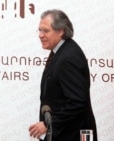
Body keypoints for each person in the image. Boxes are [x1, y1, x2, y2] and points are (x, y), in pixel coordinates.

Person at [28, 9, 97, 141]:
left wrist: (49, 124)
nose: (40, 35)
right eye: (39, 30)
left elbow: (77, 101)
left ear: (61, 31)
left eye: (46, 31)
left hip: (73, 135)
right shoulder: (61, 51)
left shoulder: (69, 57)